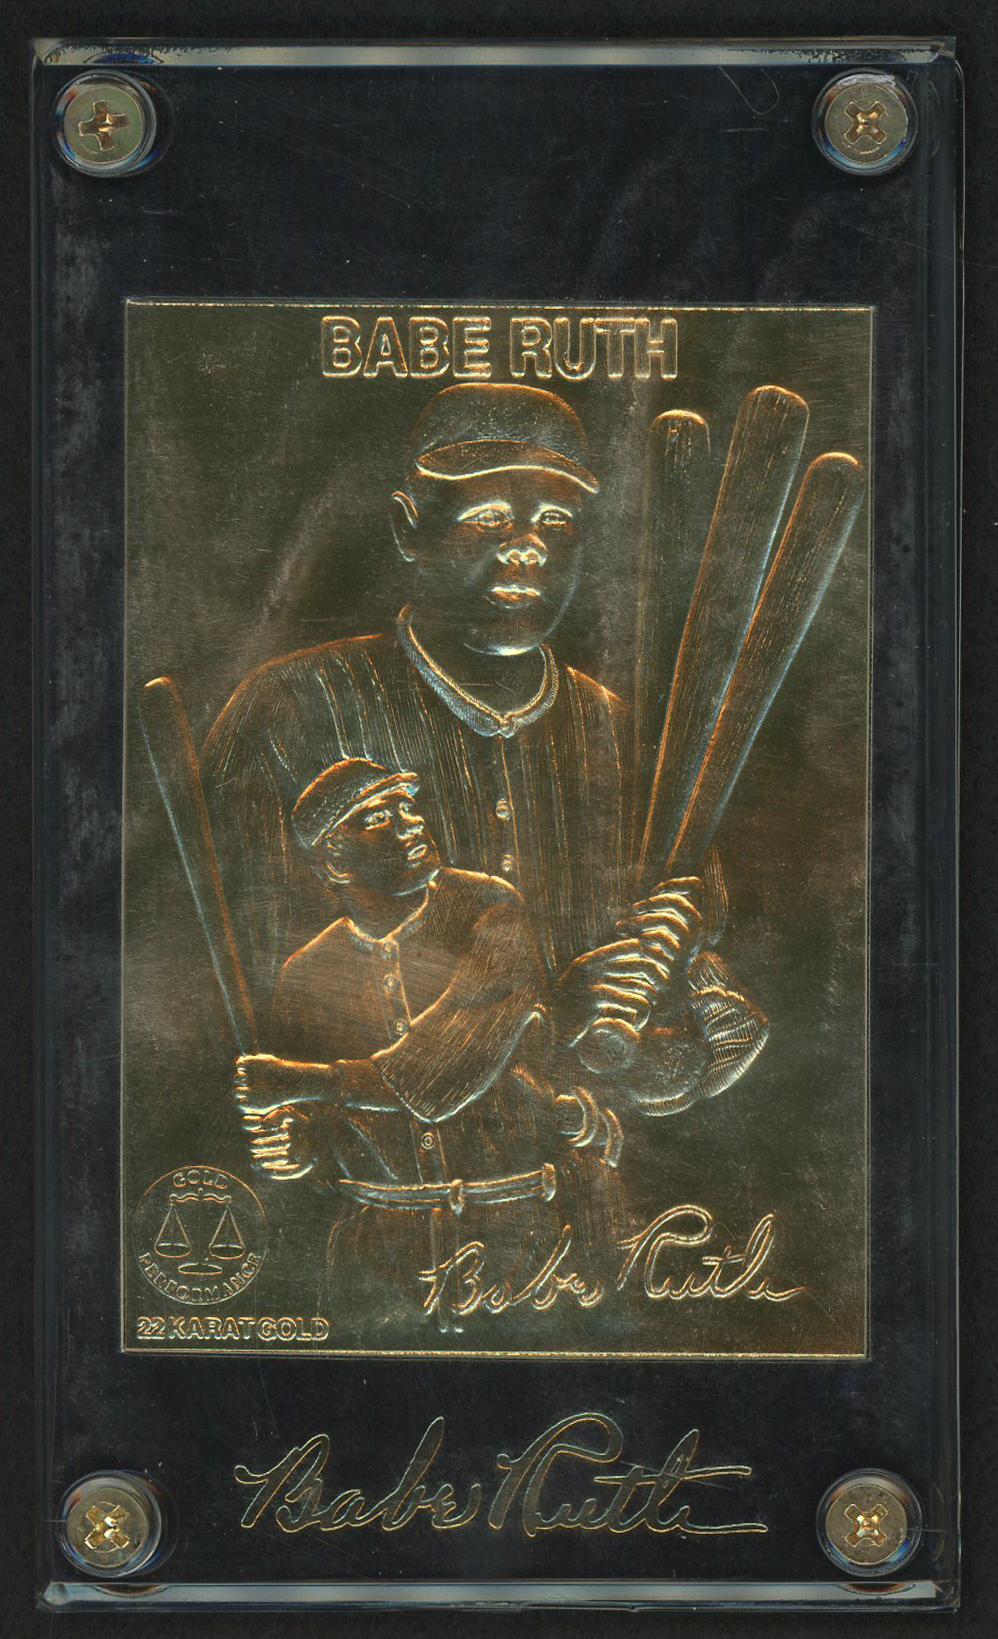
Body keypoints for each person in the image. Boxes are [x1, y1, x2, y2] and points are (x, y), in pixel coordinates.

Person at [201, 382, 764, 1113]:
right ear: (408, 527)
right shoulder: (286, 711)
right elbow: (224, 1012)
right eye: (488, 516)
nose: (527, 545)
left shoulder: (635, 746)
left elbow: (692, 1071)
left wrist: (660, 995)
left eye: (555, 520)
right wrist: (553, 1010)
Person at [234, 756, 624, 1334]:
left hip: (521, 1241)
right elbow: (321, 1138)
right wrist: (298, 1146)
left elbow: (439, 1075)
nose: (412, 822)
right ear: (336, 859)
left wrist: (301, 1080)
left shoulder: (491, 910)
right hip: (379, 1262)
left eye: (408, 806)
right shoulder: (305, 973)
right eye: (379, 816)